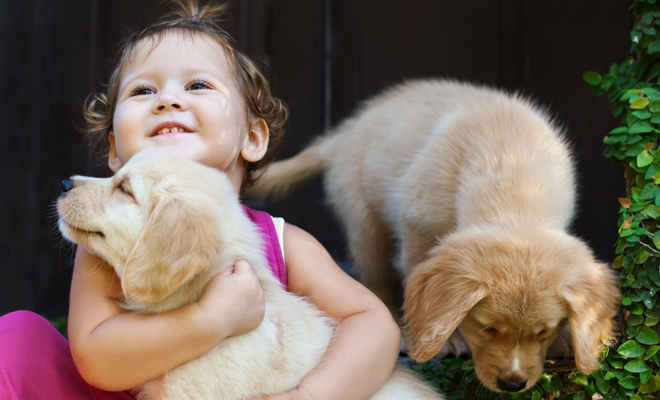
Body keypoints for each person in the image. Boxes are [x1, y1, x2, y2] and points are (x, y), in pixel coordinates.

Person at [0, 1, 401, 399]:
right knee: (16, 339)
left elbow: (372, 324)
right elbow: (97, 361)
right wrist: (211, 319)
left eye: (197, 85)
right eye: (143, 90)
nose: (167, 100)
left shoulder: (283, 243)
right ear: (114, 151)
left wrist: (308, 397)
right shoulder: (103, 241)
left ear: (253, 138)